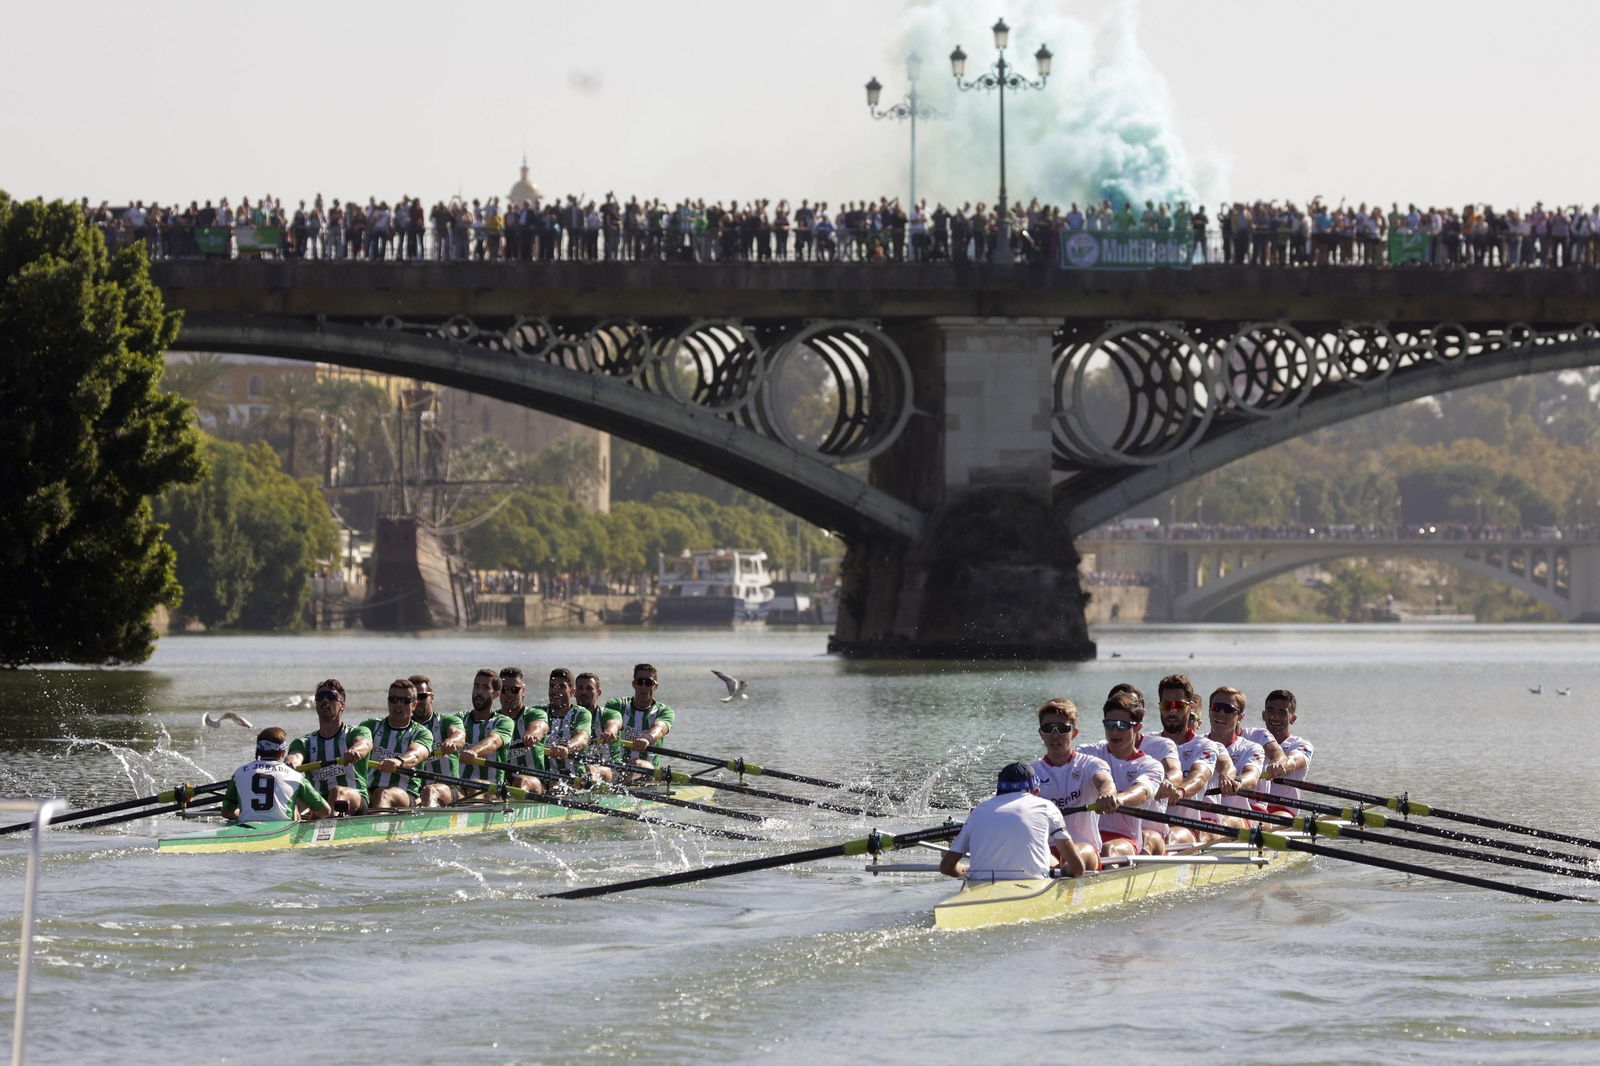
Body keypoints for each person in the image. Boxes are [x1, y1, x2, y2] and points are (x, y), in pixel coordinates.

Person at [941, 763, 1074, 880]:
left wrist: (965, 871)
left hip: (981, 885)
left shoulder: (979, 810)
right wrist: (1067, 871)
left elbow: (946, 868)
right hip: (1034, 884)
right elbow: (1077, 869)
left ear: (998, 791)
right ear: (1036, 791)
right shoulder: (1047, 806)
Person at [1075, 691, 1166, 857]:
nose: (1114, 731)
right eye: (1109, 724)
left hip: (1125, 838)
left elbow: (1143, 792)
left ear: (1137, 728)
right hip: (1087, 838)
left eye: (1122, 725)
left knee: (1107, 850)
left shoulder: (1151, 766)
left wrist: (1118, 800)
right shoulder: (1087, 753)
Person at [1030, 698, 1114, 876]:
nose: (1055, 735)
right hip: (1047, 851)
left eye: (1062, 729)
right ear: (1041, 733)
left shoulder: (1090, 764)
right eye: (1048, 729)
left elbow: (1106, 782)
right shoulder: (1031, 772)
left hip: (1085, 850)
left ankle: (1061, 873)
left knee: (1070, 856)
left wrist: (1106, 794)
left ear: (1074, 733)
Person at [1153, 673, 1223, 844]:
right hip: (1148, 828)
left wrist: (1180, 791)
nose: (1172, 711)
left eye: (1178, 705)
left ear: (1190, 707)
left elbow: (1199, 777)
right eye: (1166, 705)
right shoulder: (1147, 743)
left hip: (1186, 827)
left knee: (1165, 838)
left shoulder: (1205, 746)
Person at [286, 678, 372, 815]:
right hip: (318, 800)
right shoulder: (303, 742)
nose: (325, 700)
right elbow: (295, 756)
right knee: (297, 796)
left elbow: (364, 744)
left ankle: (326, 822)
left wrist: (354, 751)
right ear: (316, 703)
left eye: (331, 697)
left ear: (342, 705)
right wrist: (290, 763)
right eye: (320, 697)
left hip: (353, 798)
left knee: (337, 791)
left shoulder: (356, 732)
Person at [221, 727, 331, 823]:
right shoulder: (295, 777)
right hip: (284, 831)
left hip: (246, 830)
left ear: (258, 751)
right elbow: (326, 811)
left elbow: (226, 812)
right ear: (282, 753)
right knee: (295, 808)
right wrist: (316, 814)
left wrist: (244, 816)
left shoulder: (239, 773)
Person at [359, 678, 435, 810]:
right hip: (369, 790)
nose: (398, 705)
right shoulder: (370, 726)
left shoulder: (422, 733)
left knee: (382, 794)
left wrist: (399, 761)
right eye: (393, 700)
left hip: (405, 793)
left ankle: (378, 822)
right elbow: (361, 743)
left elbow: (415, 755)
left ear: (414, 705)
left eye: (404, 701)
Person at [1206, 686, 1270, 828]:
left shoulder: (1251, 748)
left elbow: (1252, 776)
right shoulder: (1197, 745)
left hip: (1240, 817)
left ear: (1240, 716)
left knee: (1219, 820)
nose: (1221, 713)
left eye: (1228, 709)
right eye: (1216, 708)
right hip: (1204, 816)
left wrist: (1239, 782)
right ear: (1209, 711)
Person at [1245, 689, 1313, 813]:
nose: (1275, 717)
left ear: (1293, 718)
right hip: (1252, 807)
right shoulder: (1250, 740)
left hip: (1282, 809)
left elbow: (1294, 760)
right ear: (1264, 715)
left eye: (1282, 713)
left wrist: (1281, 765)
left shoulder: (1301, 744)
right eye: (1271, 711)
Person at [600, 663, 673, 772]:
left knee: (637, 763)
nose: (643, 686)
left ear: (655, 686)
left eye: (648, 682)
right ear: (634, 684)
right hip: (617, 769)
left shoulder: (664, 711)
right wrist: (610, 731)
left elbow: (660, 728)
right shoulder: (616, 705)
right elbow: (614, 722)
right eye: (639, 682)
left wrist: (647, 738)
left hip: (649, 771)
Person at [455, 668, 514, 796]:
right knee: (433, 789)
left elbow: (493, 742)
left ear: (496, 694)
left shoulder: (504, 722)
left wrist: (474, 752)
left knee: (475, 785)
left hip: (492, 788)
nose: (479, 692)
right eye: (476, 686)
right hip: (460, 787)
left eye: (485, 688)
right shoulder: (459, 718)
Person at [409, 674, 465, 807]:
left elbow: (459, 735)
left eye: (422, 696)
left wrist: (451, 741)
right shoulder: (403, 729)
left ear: (431, 698)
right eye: (414, 698)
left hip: (448, 788)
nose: (418, 701)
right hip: (415, 791)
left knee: (430, 790)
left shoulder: (446, 721)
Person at [575, 671, 618, 784]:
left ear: (598, 693)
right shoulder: (569, 717)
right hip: (581, 771)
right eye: (580, 688)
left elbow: (614, 723)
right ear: (574, 692)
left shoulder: (608, 714)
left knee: (589, 768)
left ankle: (589, 786)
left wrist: (609, 731)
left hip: (610, 770)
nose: (584, 692)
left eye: (589, 688)